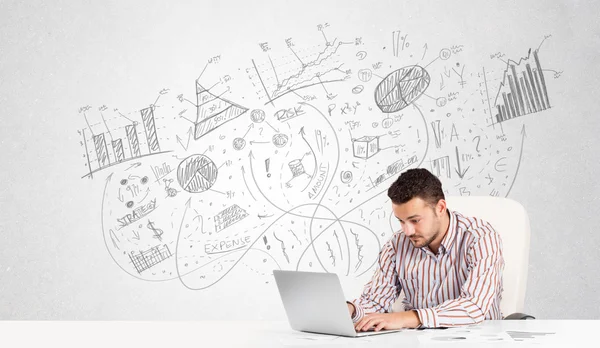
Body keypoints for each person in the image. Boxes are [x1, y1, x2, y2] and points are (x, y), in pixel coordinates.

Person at [347, 168, 504, 331]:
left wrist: (407, 317)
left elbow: (474, 306)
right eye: (401, 221)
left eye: (415, 220)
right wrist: (350, 310)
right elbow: (375, 302)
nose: (407, 231)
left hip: (477, 339)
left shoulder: (481, 238)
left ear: (441, 208)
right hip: (419, 341)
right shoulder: (397, 245)